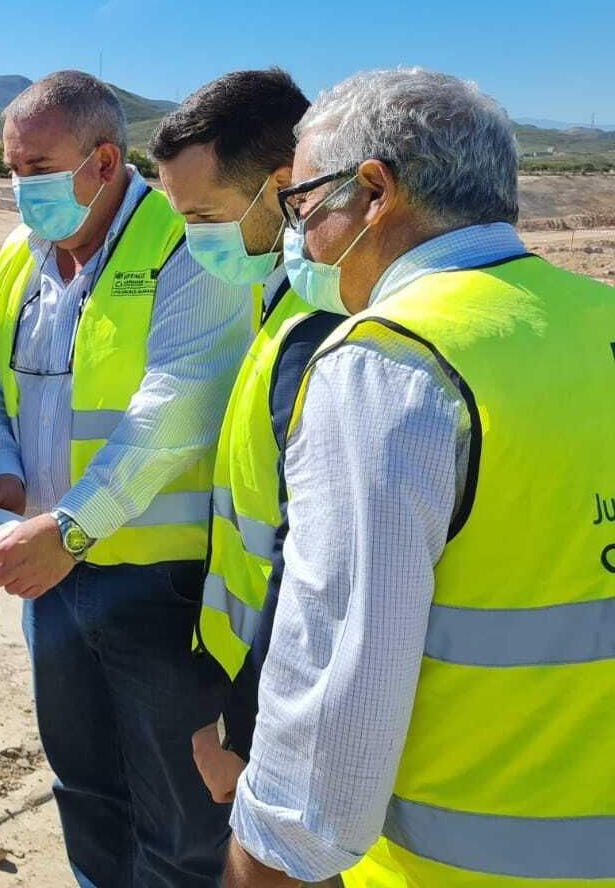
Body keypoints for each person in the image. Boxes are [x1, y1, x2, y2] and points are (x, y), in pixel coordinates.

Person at [225, 69, 615, 887]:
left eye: (302, 207)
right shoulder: (595, 319)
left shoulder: (390, 364)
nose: (299, 239)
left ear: (373, 192)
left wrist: (263, 862)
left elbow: (334, 707)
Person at [0, 70, 254, 886]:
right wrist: (6, 472)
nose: (21, 189)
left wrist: (72, 526)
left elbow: (177, 407)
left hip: (157, 587)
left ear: (102, 161)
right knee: (83, 787)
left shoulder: (184, 239)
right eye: (11, 169)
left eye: (37, 168)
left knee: (179, 813)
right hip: (52, 579)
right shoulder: (22, 258)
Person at [147, 68, 336, 805]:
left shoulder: (324, 330)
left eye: (204, 215)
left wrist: (241, 728)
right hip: (251, 682)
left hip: (281, 726)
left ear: (284, 185)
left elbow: (314, 566)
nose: (195, 240)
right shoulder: (283, 298)